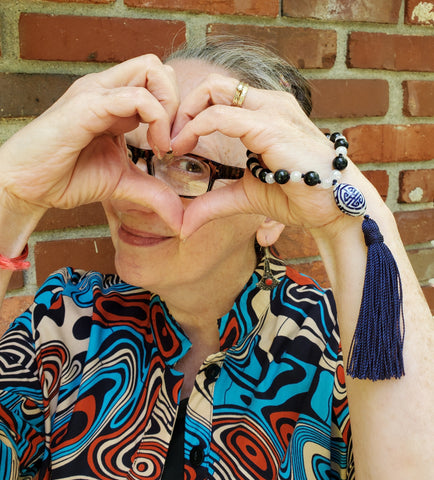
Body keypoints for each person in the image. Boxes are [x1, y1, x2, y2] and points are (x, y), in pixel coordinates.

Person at [0, 37, 432, 480]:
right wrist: (11, 195)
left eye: (191, 166)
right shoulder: (63, 320)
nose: (136, 199)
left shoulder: (341, 348)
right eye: (130, 156)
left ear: (269, 214)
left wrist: (347, 215)